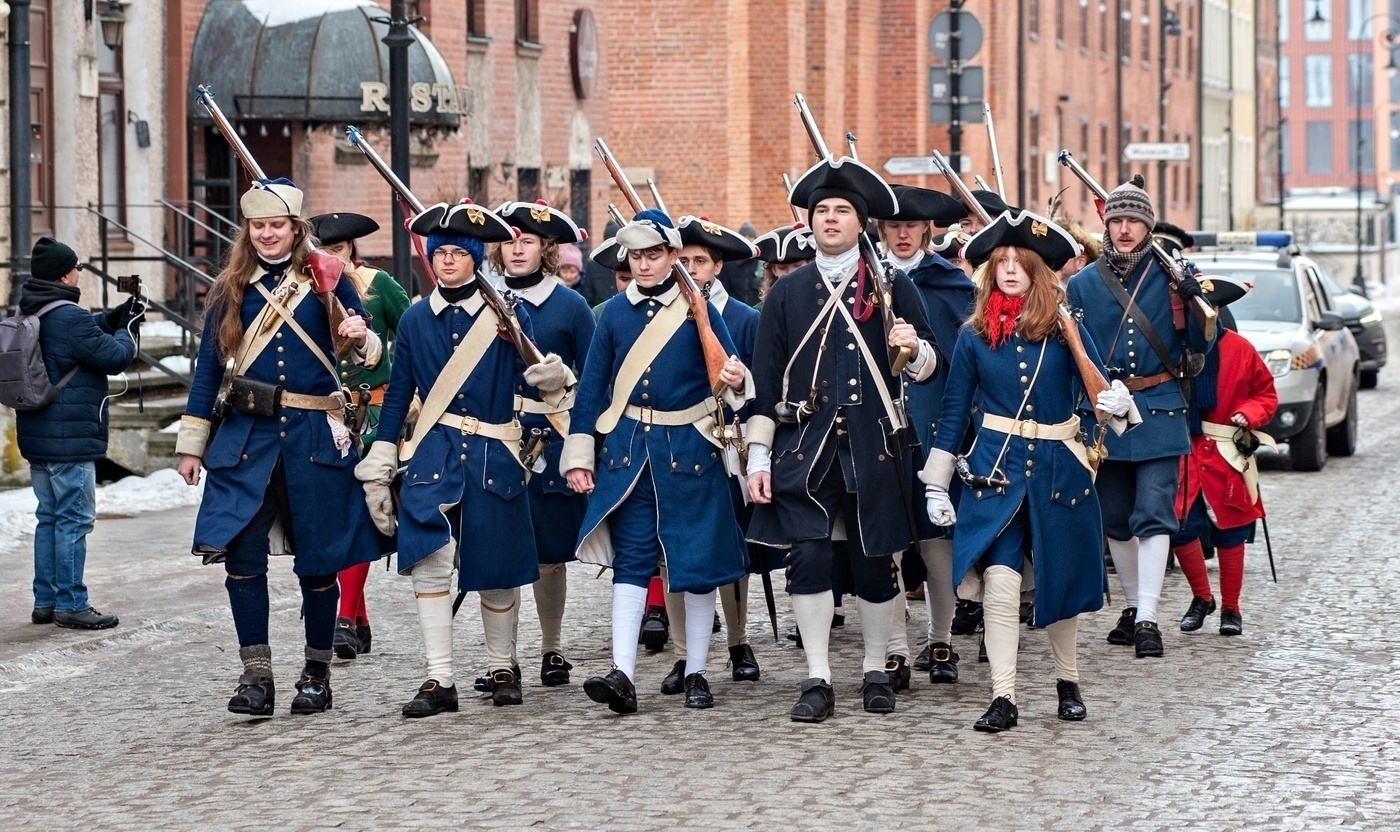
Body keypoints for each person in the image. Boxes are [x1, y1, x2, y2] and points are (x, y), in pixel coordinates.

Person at [175, 179, 385, 715]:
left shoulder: (327, 278)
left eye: (278, 225)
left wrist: (359, 335)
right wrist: (192, 443)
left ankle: (316, 673)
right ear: (249, 231)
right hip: (246, 438)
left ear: (296, 229)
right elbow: (207, 370)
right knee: (241, 558)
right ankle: (256, 676)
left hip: (314, 436)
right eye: (259, 226)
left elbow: (369, 354)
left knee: (318, 561)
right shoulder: (230, 287)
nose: (267, 235)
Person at [354, 200, 571, 717]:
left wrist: (552, 376)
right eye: (440, 252)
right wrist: (382, 461)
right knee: (430, 564)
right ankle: (439, 677)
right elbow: (398, 392)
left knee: (495, 567)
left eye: (458, 252)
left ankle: (502, 665)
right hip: (434, 453)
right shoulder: (413, 320)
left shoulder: (507, 317)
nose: (447, 261)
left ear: (476, 257)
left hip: (495, 453)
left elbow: (540, 380)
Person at [924, 209, 1135, 732]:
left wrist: (1112, 400)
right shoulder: (973, 334)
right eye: (1002, 262)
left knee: (1060, 581)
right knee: (998, 583)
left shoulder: (1066, 328)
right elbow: (954, 410)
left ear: (1040, 271)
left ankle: (1067, 680)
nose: (1010, 270)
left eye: (1021, 262)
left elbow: (1097, 393)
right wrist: (936, 480)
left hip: (1059, 469)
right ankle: (1004, 696)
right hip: (995, 473)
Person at [746, 156, 939, 722]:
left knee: (876, 561)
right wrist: (759, 456)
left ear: (861, 223)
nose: (830, 219)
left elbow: (929, 364)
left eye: (842, 211)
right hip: (804, 447)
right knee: (806, 560)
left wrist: (914, 347)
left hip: (873, 446)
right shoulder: (788, 293)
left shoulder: (891, 283)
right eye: (821, 211)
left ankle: (876, 670)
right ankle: (818, 677)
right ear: (809, 223)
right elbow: (765, 379)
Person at [561, 209, 752, 714]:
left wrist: (734, 378)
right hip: (629, 454)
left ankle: (697, 671)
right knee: (633, 560)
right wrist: (580, 452)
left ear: (671, 256)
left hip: (690, 452)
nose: (643, 266)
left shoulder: (698, 306)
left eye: (653, 255)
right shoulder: (615, 315)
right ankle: (622, 672)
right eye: (635, 257)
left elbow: (735, 379)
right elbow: (591, 388)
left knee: (696, 563)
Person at [1065, 175, 1216, 658]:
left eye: (1133, 221)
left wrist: (1197, 299)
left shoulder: (1173, 274)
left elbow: (1201, 343)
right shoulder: (1084, 283)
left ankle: (1149, 617)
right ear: (1105, 224)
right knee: (1115, 519)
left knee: (1154, 513)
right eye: (1117, 220)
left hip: (1160, 408)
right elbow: (1072, 352)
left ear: (1148, 226)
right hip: (1105, 411)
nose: (1125, 229)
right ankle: (1133, 608)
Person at [656, 215, 766, 695]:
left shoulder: (743, 318)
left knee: (730, 544)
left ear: (717, 266)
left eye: (701, 261)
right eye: (684, 260)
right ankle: (684, 654)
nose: (692, 268)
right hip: (681, 444)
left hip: (730, 446)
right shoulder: (662, 315)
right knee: (677, 548)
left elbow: (758, 387)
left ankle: (739, 640)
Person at [490, 199, 594, 688]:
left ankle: (552, 649)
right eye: (509, 241)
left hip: (549, 436)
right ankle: (502, 659)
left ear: (546, 249)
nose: (516, 250)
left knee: (550, 553)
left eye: (527, 241)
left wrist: (565, 384)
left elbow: (597, 379)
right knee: (500, 550)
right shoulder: (481, 299)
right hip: (496, 437)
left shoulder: (571, 306)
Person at [876, 184, 975, 687]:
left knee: (939, 541)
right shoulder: (860, 280)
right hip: (878, 430)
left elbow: (965, 362)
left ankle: (941, 642)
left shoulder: (952, 285)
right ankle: (894, 648)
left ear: (926, 230)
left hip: (937, 425)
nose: (902, 233)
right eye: (893, 225)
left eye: (911, 225)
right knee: (888, 542)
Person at [18, 236, 140, 630]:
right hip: (69, 441)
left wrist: (116, 316)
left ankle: (46, 600)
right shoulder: (69, 316)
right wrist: (129, 329)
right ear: (64, 274)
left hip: (40, 436)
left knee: (49, 518)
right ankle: (72, 602)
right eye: (76, 268)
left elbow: (85, 336)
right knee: (73, 520)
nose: (79, 273)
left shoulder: (35, 308)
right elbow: (115, 356)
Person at [309, 211, 413, 661]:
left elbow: (412, 336)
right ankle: (357, 618)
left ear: (351, 249)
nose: (330, 257)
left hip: (372, 409)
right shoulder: (302, 288)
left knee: (361, 510)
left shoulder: (378, 285)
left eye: (337, 249)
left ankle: (346, 619)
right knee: (333, 514)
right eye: (322, 250)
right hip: (325, 409)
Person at [1170, 275, 1275, 637]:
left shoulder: (1241, 349)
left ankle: (1231, 607)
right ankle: (1202, 597)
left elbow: (1266, 395)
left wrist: (1250, 414)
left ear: (1217, 310)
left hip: (1226, 455)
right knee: (1180, 529)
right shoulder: (1174, 348)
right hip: (1184, 454)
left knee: (1231, 531)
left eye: (1209, 309)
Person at [753, 224, 816, 305]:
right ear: (774, 270)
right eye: (782, 268)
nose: (790, 273)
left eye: (797, 265)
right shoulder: (761, 311)